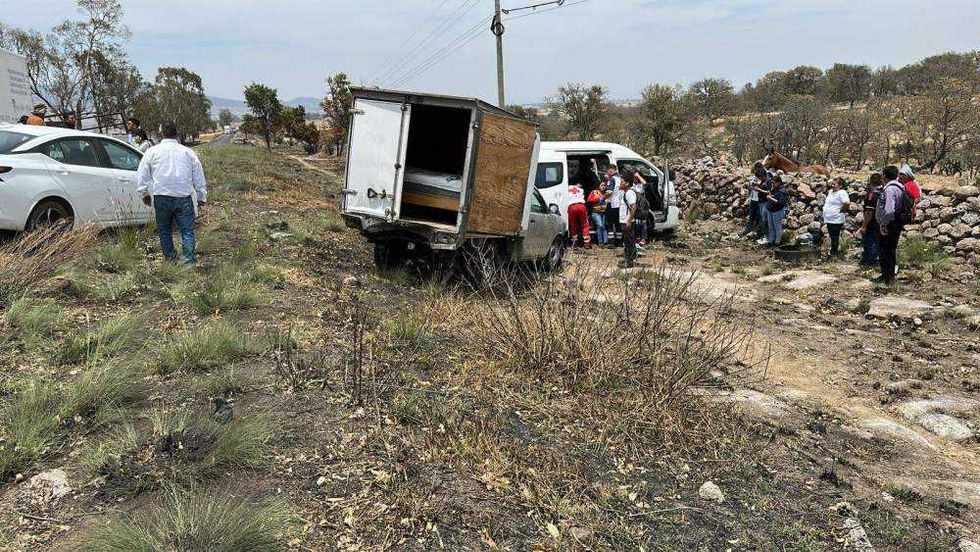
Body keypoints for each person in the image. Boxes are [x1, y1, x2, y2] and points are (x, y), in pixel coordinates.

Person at [136, 122, 208, 264]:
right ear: (176, 133)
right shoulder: (188, 152)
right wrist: (201, 196)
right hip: (183, 197)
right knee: (187, 231)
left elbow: (142, 174)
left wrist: (144, 193)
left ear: (161, 133)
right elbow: (199, 176)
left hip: (161, 197)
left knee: (164, 230)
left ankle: (170, 259)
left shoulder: (152, 152)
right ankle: (189, 260)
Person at [875, 165, 906, 285]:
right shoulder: (899, 188)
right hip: (896, 222)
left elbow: (889, 210)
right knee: (891, 250)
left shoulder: (889, 189)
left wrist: (883, 224)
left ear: (884, 175)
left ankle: (886, 277)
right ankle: (889, 276)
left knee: (885, 250)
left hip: (889, 223)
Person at [857, 173, 883, 266]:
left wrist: (864, 226)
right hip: (880, 221)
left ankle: (870, 261)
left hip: (871, 223)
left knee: (869, 242)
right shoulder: (883, 192)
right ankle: (873, 260)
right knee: (876, 242)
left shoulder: (872, 194)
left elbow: (869, 211)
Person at [823, 177, 850, 257]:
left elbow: (847, 203)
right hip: (829, 218)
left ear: (840, 185)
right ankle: (833, 252)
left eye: (835, 183)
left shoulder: (842, 192)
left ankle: (834, 253)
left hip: (836, 219)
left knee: (835, 236)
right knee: (832, 236)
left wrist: (843, 210)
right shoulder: (831, 191)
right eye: (833, 183)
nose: (833, 185)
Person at [741, 163, 766, 238]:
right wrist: (753, 186)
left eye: (757, 169)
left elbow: (765, 186)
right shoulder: (755, 175)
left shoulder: (765, 174)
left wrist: (758, 186)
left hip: (760, 200)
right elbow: (751, 184)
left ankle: (757, 232)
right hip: (753, 198)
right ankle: (748, 229)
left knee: (759, 216)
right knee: (751, 215)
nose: (756, 171)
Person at [764, 175, 789, 247]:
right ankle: (771, 241)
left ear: (778, 183)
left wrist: (770, 198)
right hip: (770, 209)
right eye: (772, 183)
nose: (772, 185)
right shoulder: (774, 188)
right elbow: (773, 195)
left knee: (777, 227)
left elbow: (781, 202)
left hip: (777, 211)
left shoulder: (782, 191)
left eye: (774, 183)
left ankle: (777, 242)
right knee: (770, 226)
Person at [619, 176, 638, 268]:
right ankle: (628, 259)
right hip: (624, 220)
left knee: (629, 241)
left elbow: (633, 207)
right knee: (627, 241)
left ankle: (629, 261)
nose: (620, 183)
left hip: (627, 221)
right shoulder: (626, 193)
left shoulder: (629, 193)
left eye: (622, 182)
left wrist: (629, 220)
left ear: (627, 183)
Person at [566, 182, 591, 249]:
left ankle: (574, 243)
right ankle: (587, 243)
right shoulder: (581, 190)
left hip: (572, 206)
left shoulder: (567, 188)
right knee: (584, 224)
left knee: (573, 225)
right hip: (581, 205)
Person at [587, 180, 609, 246]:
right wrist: (599, 199)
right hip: (596, 212)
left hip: (604, 212)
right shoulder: (594, 192)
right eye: (602, 185)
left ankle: (605, 241)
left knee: (604, 226)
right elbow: (589, 200)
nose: (603, 187)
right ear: (599, 186)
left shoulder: (607, 194)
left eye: (604, 185)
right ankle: (600, 242)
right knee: (600, 225)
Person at [631, 171, 650, 246]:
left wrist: (638, 176)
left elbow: (645, 183)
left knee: (643, 223)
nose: (635, 178)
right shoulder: (630, 185)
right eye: (634, 177)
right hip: (634, 205)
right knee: (636, 223)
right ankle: (636, 237)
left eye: (636, 177)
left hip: (642, 206)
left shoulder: (640, 185)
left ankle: (643, 238)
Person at [605, 165, 622, 246]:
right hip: (620, 204)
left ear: (611, 170)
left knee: (609, 223)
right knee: (618, 223)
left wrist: (602, 198)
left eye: (607, 170)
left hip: (611, 204)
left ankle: (611, 243)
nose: (607, 172)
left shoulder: (612, 179)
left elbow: (609, 192)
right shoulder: (620, 178)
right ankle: (619, 242)